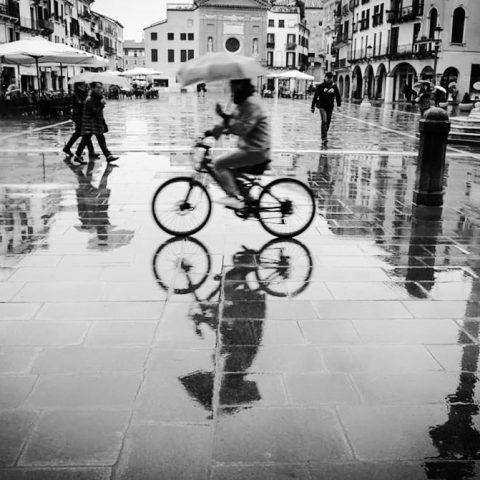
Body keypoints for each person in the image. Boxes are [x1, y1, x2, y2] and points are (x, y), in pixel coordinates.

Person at [206, 78, 270, 210]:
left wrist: (226, 123)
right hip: (250, 147)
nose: (231, 87)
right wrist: (212, 132)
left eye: (232, 84)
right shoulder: (243, 103)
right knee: (232, 173)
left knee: (219, 163)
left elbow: (243, 128)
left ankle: (233, 196)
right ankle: (249, 202)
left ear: (240, 85)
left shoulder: (251, 104)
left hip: (256, 149)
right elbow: (232, 119)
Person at [74, 82, 118, 164]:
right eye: (98, 87)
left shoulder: (97, 98)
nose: (100, 89)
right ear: (92, 88)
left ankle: (108, 156)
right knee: (86, 140)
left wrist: (104, 123)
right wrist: (102, 105)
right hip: (90, 124)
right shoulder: (90, 99)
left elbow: (99, 113)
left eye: (101, 87)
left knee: (100, 140)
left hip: (96, 123)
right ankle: (78, 155)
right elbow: (94, 111)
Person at [63, 82, 99, 161]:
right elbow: (80, 103)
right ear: (78, 86)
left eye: (84, 85)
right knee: (86, 133)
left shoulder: (85, 93)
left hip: (84, 116)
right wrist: (88, 100)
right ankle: (90, 151)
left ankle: (67, 148)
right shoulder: (75, 95)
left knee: (82, 133)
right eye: (82, 85)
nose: (84, 86)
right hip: (79, 117)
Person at [310, 72, 341, 146]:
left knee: (328, 122)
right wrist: (312, 106)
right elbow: (315, 97)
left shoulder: (334, 86)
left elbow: (338, 96)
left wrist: (339, 105)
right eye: (328, 77)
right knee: (324, 121)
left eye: (331, 78)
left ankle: (324, 134)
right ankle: (324, 138)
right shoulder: (320, 86)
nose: (330, 79)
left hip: (330, 107)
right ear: (325, 77)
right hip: (322, 106)